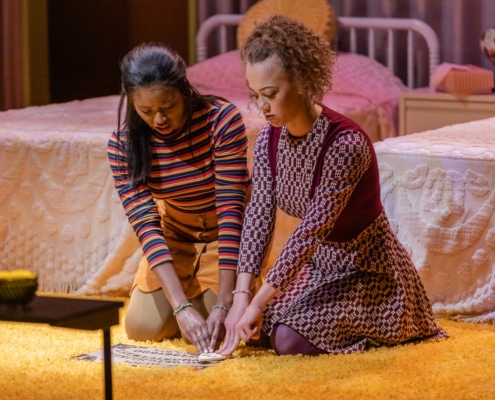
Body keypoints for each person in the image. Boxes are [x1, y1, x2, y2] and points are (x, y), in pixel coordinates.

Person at [219, 15, 448, 356]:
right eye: (255, 95)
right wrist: (241, 298)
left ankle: (392, 324)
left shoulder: (345, 144)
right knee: (258, 329)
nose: (262, 106)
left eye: (270, 93)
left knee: (287, 340)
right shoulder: (268, 137)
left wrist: (259, 299)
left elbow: (310, 232)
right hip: (317, 266)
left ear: (302, 80)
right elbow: (258, 216)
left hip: (367, 270)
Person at [108, 42, 250, 353]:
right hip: (177, 233)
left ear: (183, 90)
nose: (159, 119)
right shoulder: (122, 145)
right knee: (142, 328)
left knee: (219, 327)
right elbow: (146, 224)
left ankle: (213, 293)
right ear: (131, 102)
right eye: (146, 111)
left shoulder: (221, 121)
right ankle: (191, 299)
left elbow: (230, 211)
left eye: (167, 106)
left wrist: (225, 303)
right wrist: (180, 306)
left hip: (227, 233)